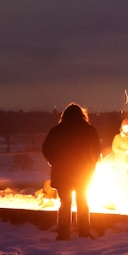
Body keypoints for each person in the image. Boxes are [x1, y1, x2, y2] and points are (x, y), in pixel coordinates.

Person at [42, 103, 102, 240]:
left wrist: (54, 161)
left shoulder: (57, 130)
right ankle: (84, 233)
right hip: (83, 173)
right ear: (82, 115)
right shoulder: (89, 130)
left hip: (63, 174)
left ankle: (63, 234)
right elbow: (97, 149)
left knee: (64, 204)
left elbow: (46, 148)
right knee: (82, 202)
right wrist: (90, 164)